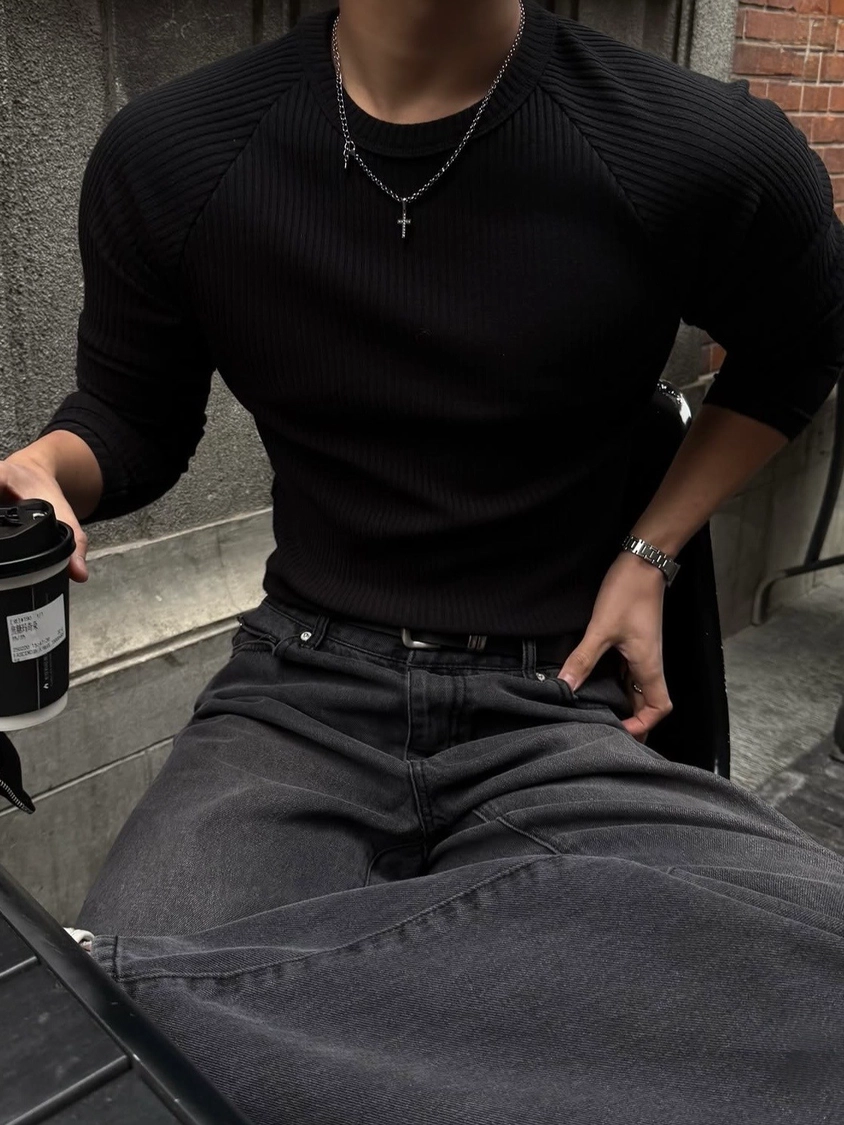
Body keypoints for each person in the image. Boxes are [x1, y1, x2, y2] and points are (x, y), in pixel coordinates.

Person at [3, 1, 844, 1121]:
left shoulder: (697, 145)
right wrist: (47, 469)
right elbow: (130, 415)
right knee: (118, 1070)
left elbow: (797, 351)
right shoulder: (175, 153)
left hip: (556, 699)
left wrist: (651, 549)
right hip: (298, 695)